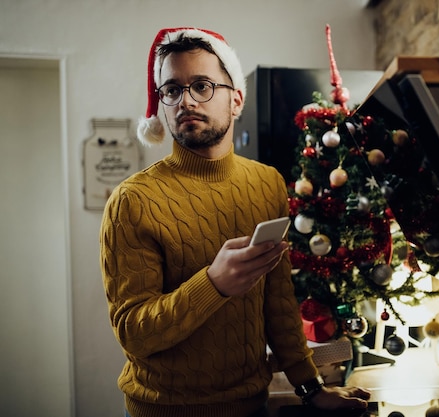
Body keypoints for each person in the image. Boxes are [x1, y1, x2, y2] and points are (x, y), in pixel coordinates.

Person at [100, 27, 371, 417]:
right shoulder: (133, 201)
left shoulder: (266, 183)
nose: (186, 101)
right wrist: (214, 284)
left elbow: (278, 303)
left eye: (202, 85)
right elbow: (133, 333)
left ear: (236, 100)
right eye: (172, 90)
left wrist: (311, 388)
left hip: (251, 407)